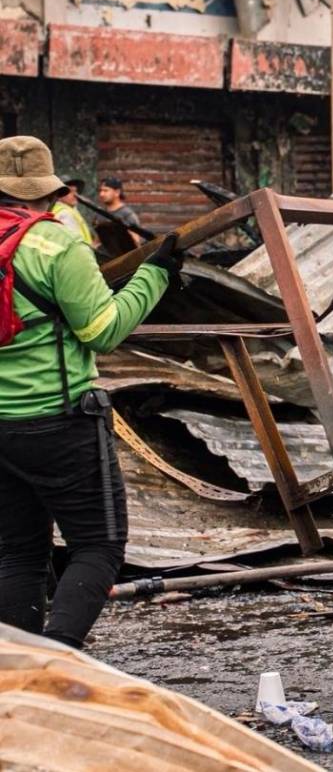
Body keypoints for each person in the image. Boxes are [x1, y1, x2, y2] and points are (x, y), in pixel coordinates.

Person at [0, 136, 179, 649]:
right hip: (60, 422)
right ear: (49, 193)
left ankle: (18, 677)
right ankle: (58, 660)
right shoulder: (57, 244)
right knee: (98, 546)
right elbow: (102, 330)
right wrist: (155, 276)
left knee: (19, 552)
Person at [52, 178, 99, 247]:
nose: (75, 195)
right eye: (70, 191)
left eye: (76, 191)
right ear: (59, 195)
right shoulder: (64, 213)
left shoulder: (70, 209)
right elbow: (76, 241)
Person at [97, 176, 143, 246]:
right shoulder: (100, 214)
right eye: (100, 191)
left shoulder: (127, 215)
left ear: (117, 192)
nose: (101, 194)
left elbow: (136, 243)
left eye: (106, 190)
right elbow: (97, 241)